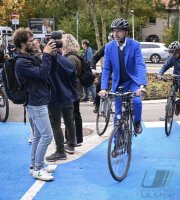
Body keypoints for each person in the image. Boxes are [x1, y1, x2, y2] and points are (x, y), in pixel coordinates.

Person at [14, 27, 56, 181]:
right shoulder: (21, 62)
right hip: (35, 102)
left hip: (37, 100)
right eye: (30, 41)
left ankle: (35, 165)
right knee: (47, 135)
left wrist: (44, 54)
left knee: (38, 135)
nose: (34, 42)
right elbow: (42, 73)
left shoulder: (28, 57)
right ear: (22, 43)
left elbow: (45, 70)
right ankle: (38, 169)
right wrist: (44, 54)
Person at [99, 18, 147, 134]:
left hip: (132, 81)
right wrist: (104, 88)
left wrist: (141, 85)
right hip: (118, 83)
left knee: (137, 102)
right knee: (117, 115)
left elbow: (140, 64)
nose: (115, 33)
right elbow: (106, 69)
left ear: (126, 32)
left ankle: (137, 122)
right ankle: (116, 145)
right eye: (114, 30)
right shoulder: (109, 47)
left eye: (119, 31)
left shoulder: (135, 45)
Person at [46, 34, 78, 162]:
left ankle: (60, 151)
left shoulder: (47, 61)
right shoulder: (68, 61)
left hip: (54, 97)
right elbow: (73, 80)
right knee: (70, 121)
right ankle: (71, 144)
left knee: (56, 124)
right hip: (68, 96)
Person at [61, 33, 84, 146]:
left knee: (70, 116)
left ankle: (72, 139)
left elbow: (68, 75)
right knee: (75, 114)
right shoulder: (75, 56)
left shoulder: (70, 58)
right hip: (77, 89)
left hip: (72, 90)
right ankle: (77, 139)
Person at [90, 33, 114, 113]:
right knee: (99, 84)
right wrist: (93, 68)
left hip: (117, 72)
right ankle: (97, 105)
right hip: (107, 71)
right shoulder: (106, 47)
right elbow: (94, 58)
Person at [157, 41, 180, 115]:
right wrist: (160, 74)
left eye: (174, 52)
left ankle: (178, 104)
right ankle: (170, 103)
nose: (173, 54)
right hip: (176, 78)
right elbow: (165, 66)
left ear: (179, 51)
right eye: (172, 52)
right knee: (173, 91)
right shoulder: (173, 58)